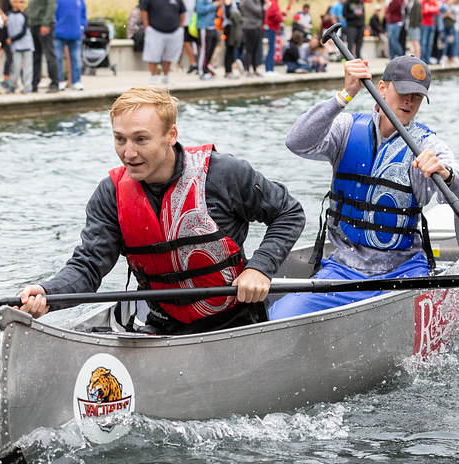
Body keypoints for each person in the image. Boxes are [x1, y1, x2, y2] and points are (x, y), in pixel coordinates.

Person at [16, 86, 306, 335]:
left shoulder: (224, 173)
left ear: (171, 135)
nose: (129, 153)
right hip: (163, 326)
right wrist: (47, 294)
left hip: (236, 322)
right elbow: (88, 266)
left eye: (141, 139)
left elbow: (289, 213)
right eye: (120, 139)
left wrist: (260, 268)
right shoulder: (110, 195)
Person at [270, 56, 459, 320]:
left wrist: (446, 174)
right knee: (280, 316)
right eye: (403, 91)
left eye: (417, 95)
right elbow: (296, 142)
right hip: (344, 268)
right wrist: (344, 96)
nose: (409, 101)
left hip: (404, 271)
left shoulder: (427, 146)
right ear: (381, 88)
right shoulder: (346, 129)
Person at [140, 0, 185, 85]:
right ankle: (153, 77)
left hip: (173, 31)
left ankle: (166, 77)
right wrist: (146, 26)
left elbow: (182, 12)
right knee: (153, 54)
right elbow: (143, 10)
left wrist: (181, 27)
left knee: (169, 55)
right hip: (155, 30)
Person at [28, 0, 60, 92]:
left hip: (43, 25)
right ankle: (34, 83)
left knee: (49, 54)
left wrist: (46, 23)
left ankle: (54, 83)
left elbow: (51, 5)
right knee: (35, 56)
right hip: (34, 25)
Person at [53, 0, 86, 90]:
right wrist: (55, 27)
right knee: (57, 58)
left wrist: (82, 27)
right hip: (59, 34)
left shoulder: (80, 1)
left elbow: (83, 14)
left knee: (76, 58)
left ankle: (76, 81)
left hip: (76, 34)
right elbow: (52, 12)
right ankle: (59, 81)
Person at [7, 0, 34, 93]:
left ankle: (27, 86)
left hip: (27, 44)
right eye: (20, 2)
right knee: (16, 66)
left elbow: (23, 31)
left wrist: (12, 39)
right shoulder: (8, 15)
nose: (22, 4)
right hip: (15, 46)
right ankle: (12, 85)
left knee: (27, 67)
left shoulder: (24, 16)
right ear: (13, 3)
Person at [195, 0, 219, 79]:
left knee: (210, 50)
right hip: (204, 27)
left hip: (212, 26)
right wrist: (214, 5)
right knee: (204, 50)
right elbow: (200, 9)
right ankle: (202, 72)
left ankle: (207, 70)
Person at [240, 0, 264, 76]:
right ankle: (247, 70)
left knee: (256, 49)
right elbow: (258, 10)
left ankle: (255, 69)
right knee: (249, 49)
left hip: (257, 26)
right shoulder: (247, 1)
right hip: (250, 27)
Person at [263, 0, 283, 75]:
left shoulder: (268, 3)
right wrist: (281, 18)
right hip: (272, 27)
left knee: (270, 48)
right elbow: (276, 16)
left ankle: (269, 68)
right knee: (272, 49)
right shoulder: (274, 3)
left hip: (267, 27)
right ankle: (269, 69)